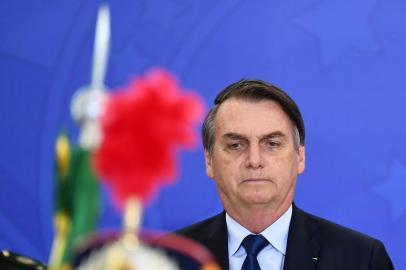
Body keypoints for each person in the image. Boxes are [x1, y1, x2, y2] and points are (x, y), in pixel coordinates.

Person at [175, 79, 394, 270]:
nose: (254, 160)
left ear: (300, 157)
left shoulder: (361, 260)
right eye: (235, 145)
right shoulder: (166, 259)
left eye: (272, 144)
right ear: (209, 161)